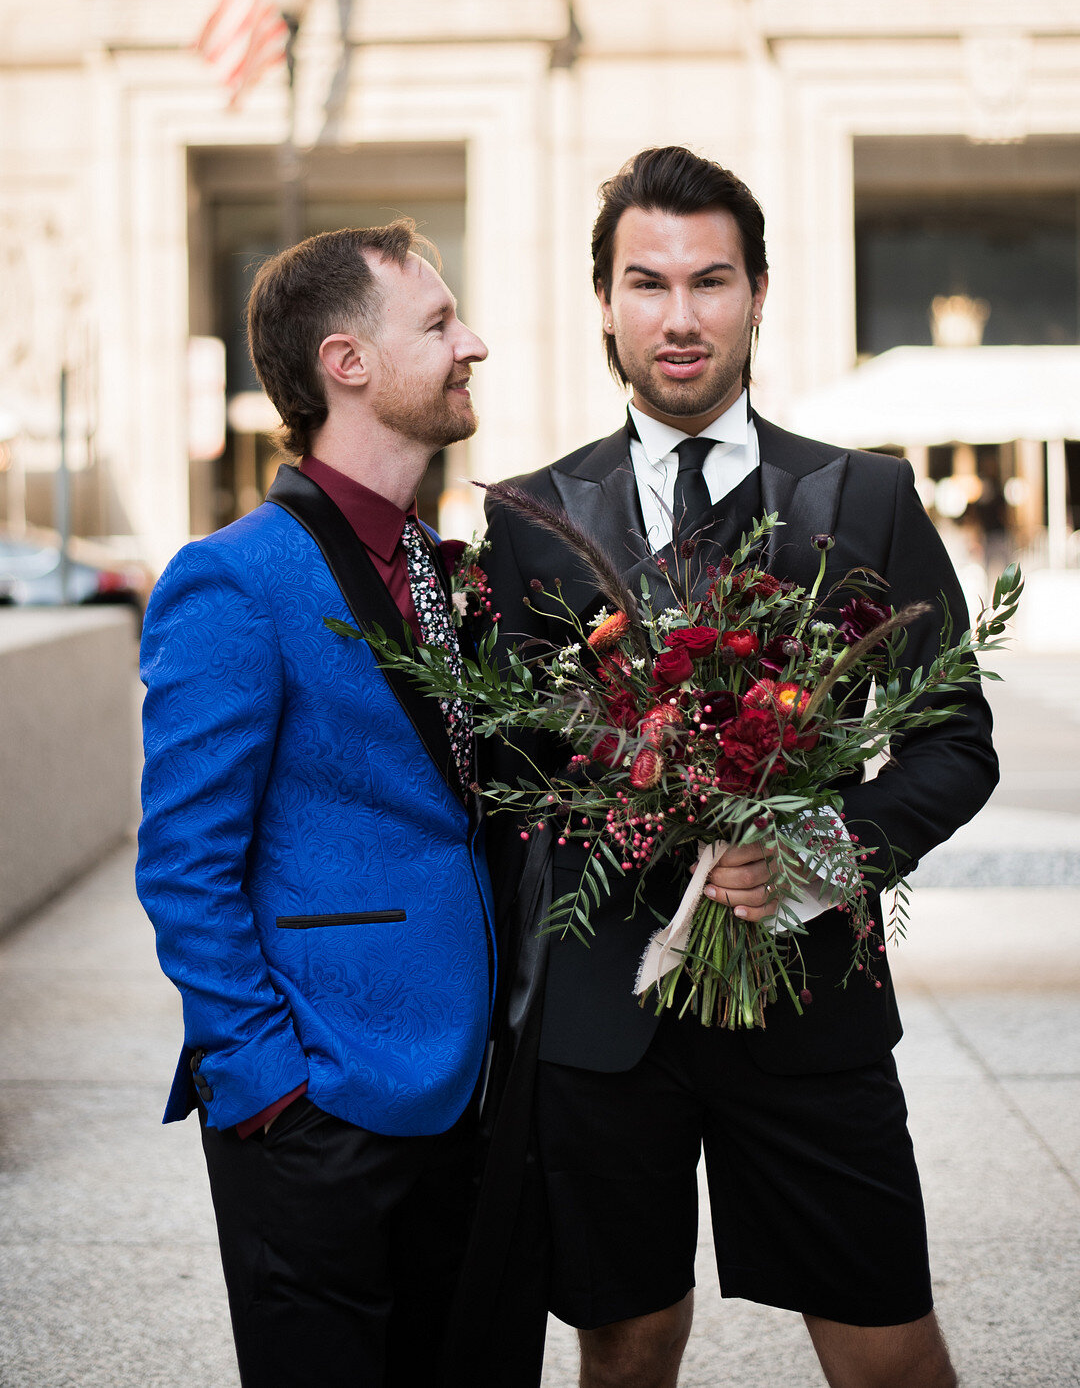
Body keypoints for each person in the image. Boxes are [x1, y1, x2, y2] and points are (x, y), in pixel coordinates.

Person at [482, 147, 998, 1388]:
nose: (678, 315)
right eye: (645, 281)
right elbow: (509, 768)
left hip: (813, 1003)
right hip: (607, 1023)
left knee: (886, 1346)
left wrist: (822, 852)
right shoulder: (526, 517)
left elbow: (955, 734)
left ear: (759, 292)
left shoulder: (865, 496)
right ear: (603, 300)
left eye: (710, 280)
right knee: (630, 1347)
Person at [137, 222, 492, 1388]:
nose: (470, 344)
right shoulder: (231, 576)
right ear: (348, 362)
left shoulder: (445, 570)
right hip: (315, 1113)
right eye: (438, 325)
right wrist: (266, 1089)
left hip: (472, 1109)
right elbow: (184, 860)